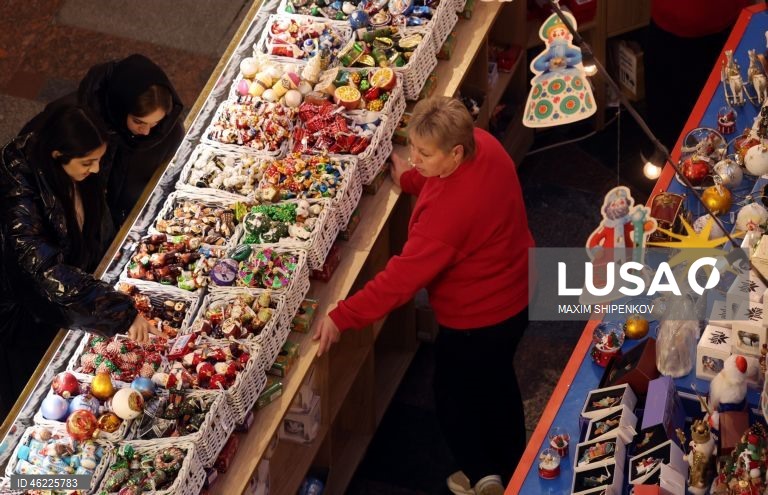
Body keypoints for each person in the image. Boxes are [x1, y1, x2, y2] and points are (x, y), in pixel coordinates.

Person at [313, 97, 535, 495]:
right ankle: (515, 468)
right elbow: (439, 180)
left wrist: (342, 316)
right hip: (521, 288)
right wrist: (414, 178)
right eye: (412, 147)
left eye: (424, 153)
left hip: (477, 319)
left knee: (452, 396)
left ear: (454, 152)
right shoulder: (485, 144)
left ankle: (484, 476)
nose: (414, 157)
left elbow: (399, 281)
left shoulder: (446, 218)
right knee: (498, 383)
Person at [0, 105, 158, 420]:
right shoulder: (19, 193)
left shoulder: (72, 171)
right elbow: (46, 269)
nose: (96, 169)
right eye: (87, 163)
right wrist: (121, 311)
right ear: (57, 157)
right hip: (25, 307)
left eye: (98, 159)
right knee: (23, 380)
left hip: (67, 291)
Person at [22, 54, 184, 231]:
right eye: (138, 122)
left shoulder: (167, 132)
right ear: (120, 109)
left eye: (155, 123)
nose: (146, 132)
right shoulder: (72, 120)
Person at [645, 0, 750, 149]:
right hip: (671, 30)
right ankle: (662, 149)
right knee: (665, 114)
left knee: (721, 109)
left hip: (726, 25)